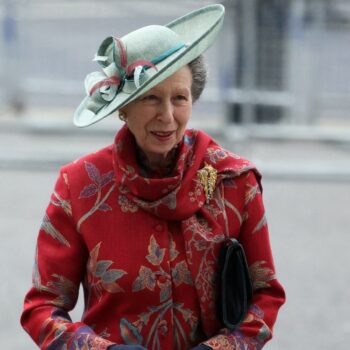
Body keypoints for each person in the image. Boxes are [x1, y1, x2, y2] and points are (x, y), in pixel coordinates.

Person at [21, 4, 285, 350]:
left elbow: (265, 294)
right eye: (151, 98)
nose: (168, 116)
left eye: (180, 98)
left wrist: (221, 347)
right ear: (122, 108)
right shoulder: (79, 186)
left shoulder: (234, 180)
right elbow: (42, 307)